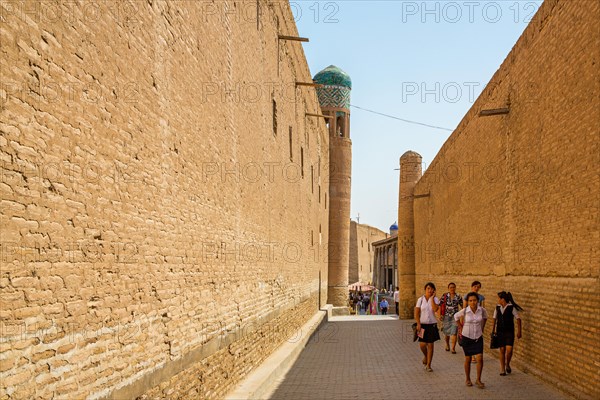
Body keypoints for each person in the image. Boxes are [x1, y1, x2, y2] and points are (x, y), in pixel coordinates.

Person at [455, 292, 488, 388]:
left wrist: (482, 327)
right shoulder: (465, 311)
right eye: (470, 301)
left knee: (480, 358)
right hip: (467, 337)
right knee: (468, 359)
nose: (472, 302)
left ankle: (478, 379)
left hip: (478, 337)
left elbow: (485, 317)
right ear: (468, 302)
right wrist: (460, 327)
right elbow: (455, 317)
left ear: (478, 301)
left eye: (474, 300)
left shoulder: (481, 310)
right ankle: (468, 379)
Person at [492, 291, 523, 376]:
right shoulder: (497, 307)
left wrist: (519, 331)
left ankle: (507, 364)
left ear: (502, 299)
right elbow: (494, 319)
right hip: (500, 331)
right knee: (502, 350)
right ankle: (502, 369)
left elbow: (518, 319)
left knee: (509, 350)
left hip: (509, 331)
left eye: (498, 298)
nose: (497, 300)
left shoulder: (511, 307)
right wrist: (493, 330)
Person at [415, 282, 440, 372]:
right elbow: (417, 313)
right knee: (422, 345)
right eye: (428, 288)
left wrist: (432, 298)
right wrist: (418, 323)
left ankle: (429, 365)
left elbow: (435, 309)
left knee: (430, 345)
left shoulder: (436, 299)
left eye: (431, 288)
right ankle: (426, 356)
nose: (430, 290)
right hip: (422, 325)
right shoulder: (420, 300)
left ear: (434, 290)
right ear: (425, 289)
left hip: (432, 325)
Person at [440, 282, 463, 353]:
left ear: (455, 288)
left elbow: (462, 305)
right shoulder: (445, 296)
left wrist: (463, 315)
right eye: (451, 287)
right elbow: (440, 305)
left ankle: (453, 348)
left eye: (453, 287)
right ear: (448, 288)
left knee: (454, 332)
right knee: (447, 333)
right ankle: (447, 344)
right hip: (446, 316)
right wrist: (440, 315)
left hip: (455, 317)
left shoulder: (458, 296)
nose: (452, 289)